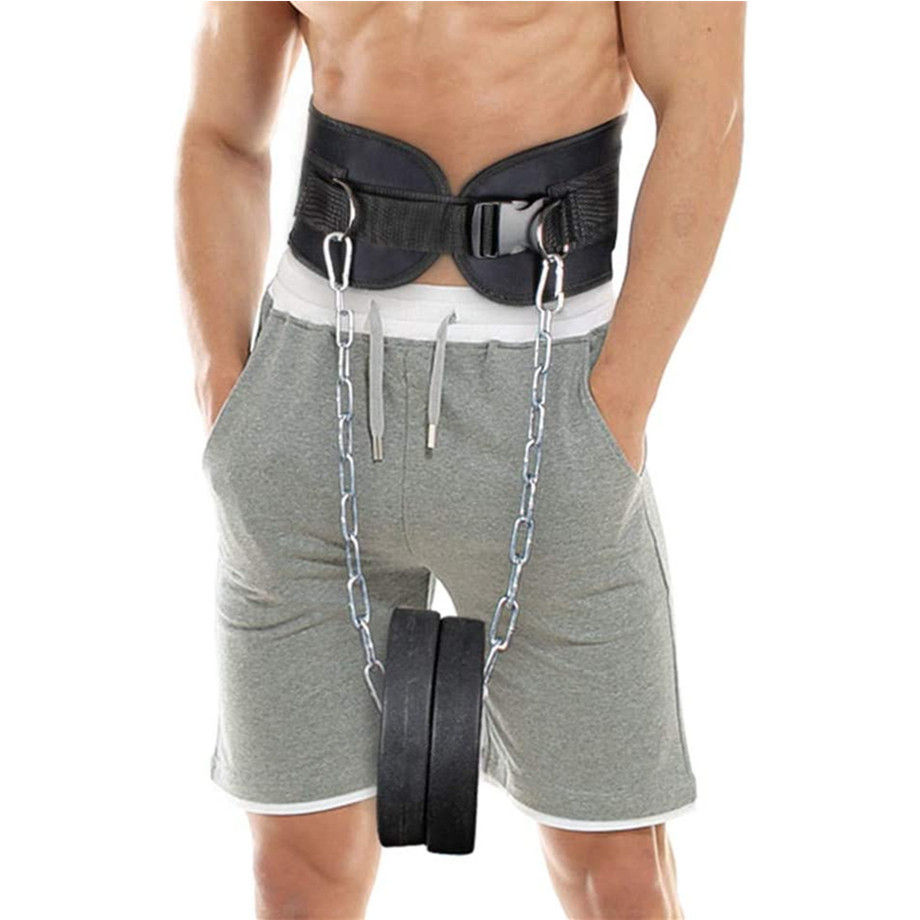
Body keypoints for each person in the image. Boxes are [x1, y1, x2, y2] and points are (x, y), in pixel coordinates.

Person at [176, 2, 744, 917]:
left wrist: (620, 402)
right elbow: (220, 130)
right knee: (297, 872)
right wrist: (223, 387)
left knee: (616, 870)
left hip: (549, 384)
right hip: (310, 389)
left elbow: (705, 111)